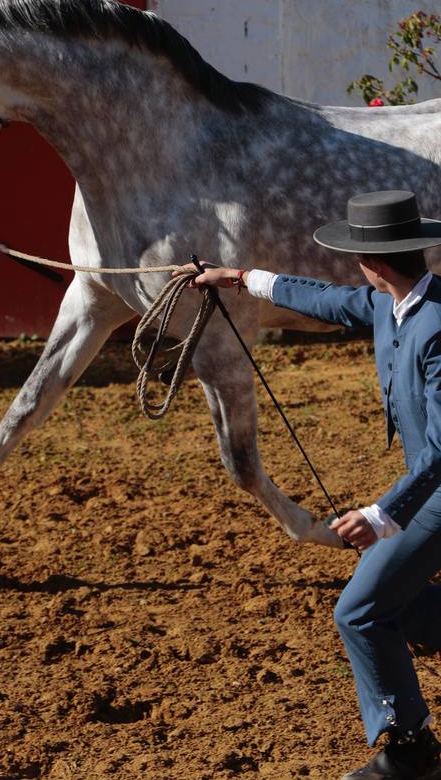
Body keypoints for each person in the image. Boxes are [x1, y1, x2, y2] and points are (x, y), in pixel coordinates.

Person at [176, 189, 441, 780]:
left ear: (375, 262)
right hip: (429, 492)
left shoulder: (439, 327)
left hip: (435, 494)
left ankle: (410, 751)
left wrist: (381, 514)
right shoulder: (390, 305)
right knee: (396, 607)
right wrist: (237, 277)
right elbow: (320, 297)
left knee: (361, 612)